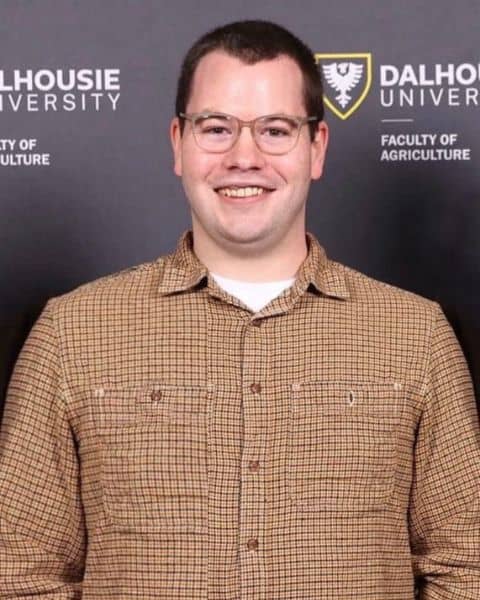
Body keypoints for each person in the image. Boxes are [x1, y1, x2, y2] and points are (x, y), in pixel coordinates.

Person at [0, 19, 479, 599]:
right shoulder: (72, 332)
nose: (243, 156)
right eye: (216, 128)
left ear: (316, 147)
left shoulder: (416, 335)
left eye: (275, 130)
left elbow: (466, 569)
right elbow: (20, 574)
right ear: (178, 143)